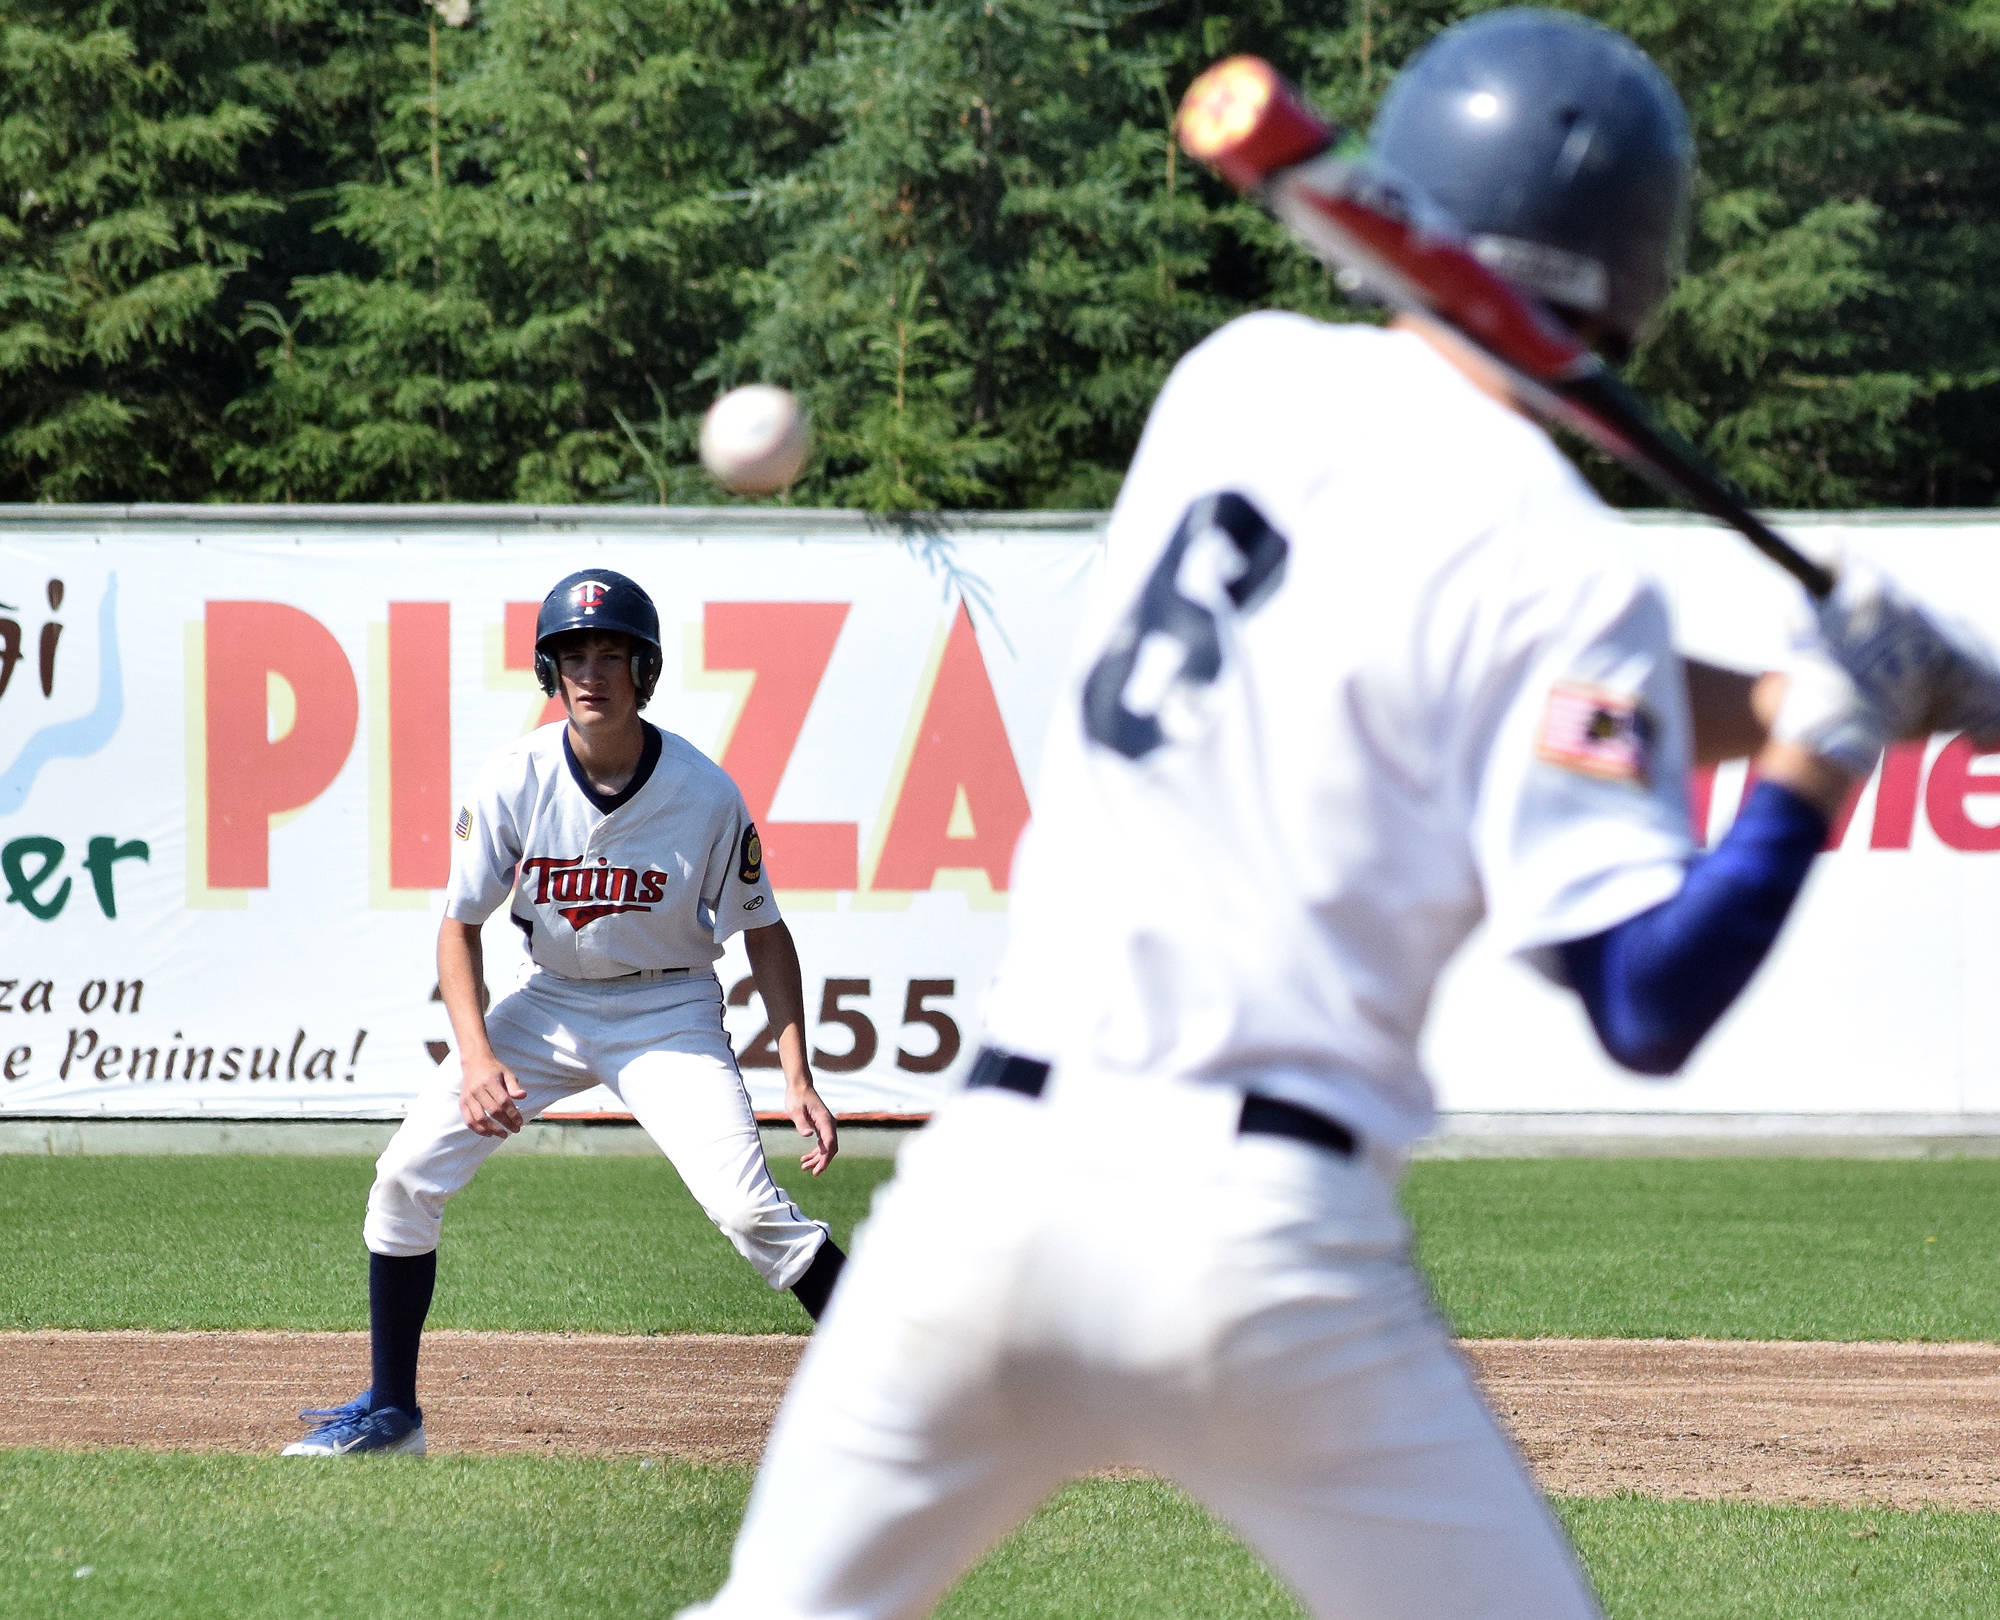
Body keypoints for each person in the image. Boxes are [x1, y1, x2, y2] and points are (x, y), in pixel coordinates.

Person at [678, 11, 2000, 1618]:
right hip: (1255, 1247)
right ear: (1638, 272)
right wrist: (1825, 756)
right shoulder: (1566, 562)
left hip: (979, 1201)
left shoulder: (1235, 383)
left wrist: (1796, 700)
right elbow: (1647, 1000)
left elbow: (1439, 647)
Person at [284, 567, 845, 1457]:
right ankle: (393, 1413)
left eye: (613, 654)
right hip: (547, 1004)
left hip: (668, 1008)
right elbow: (457, 928)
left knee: (749, 1215)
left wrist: (798, 1071)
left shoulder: (704, 792)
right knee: (402, 1180)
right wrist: (475, 1060)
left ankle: (913, 1393)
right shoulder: (514, 778)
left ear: (645, 670)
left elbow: (764, 933)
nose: (591, 673)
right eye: (571, 655)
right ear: (551, 674)